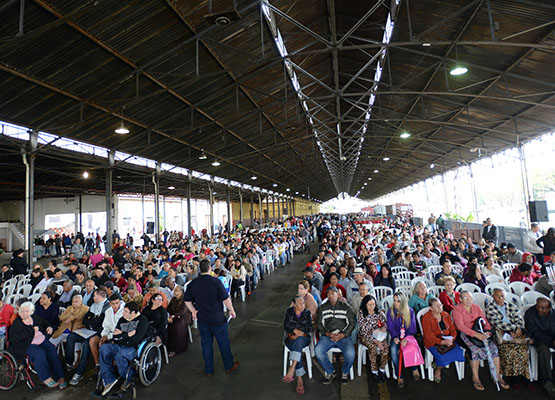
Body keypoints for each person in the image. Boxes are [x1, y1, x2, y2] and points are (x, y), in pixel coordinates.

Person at [184, 259, 239, 376]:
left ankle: (209, 370)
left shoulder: (193, 283)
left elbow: (187, 300)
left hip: (203, 319)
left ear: (199, 270)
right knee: (223, 343)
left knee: (206, 344)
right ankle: (228, 366)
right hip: (217, 318)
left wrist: (193, 311)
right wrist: (231, 310)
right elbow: (226, 299)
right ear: (210, 268)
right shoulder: (216, 282)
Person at [452, 290, 509, 391]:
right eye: (465, 298)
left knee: (494, 348)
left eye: (470, 298)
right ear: (460, 299)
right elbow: (460, 326)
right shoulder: (457, 309)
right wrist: (476, 335)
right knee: (474, 350)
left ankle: (498, 377)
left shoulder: (476, 307)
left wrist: (487, 331)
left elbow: (485, 321)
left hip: (479, 332)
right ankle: (476, 378)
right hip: (464, 334)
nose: (469, 300)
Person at [8, 301, 66, 389]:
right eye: (22, 311)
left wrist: (49, 327)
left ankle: (59, 376)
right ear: (19, 313)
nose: (24, 313)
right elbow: (14, 337)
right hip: (26, 344)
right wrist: (31, 330)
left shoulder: (35, 318)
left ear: (31, 311)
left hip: (40, 340)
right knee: (39, 353)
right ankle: (45, 378)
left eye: (27, 311)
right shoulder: (17, 323)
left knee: (51, 350)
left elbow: (44, 323)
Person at [99, 302, 149, 396]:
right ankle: (109, 380)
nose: (123, 314)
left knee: (120, 355)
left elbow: (135, 340)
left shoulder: (142, 320)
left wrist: (121, 335)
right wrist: (127, 334)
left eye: (126, 312)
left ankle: (129, 377)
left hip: (133, 348)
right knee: (104, 348)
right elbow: (115, 337)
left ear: (133, 312)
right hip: (120, 345)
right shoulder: (122, 319)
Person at [485, 288, 530, 384]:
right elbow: (497, 323)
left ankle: (523, 376)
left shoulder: (510, 305)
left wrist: (518, 329)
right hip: (500, 333)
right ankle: (512, 378)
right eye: (498, 296)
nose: (501, 298)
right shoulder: (490, 307)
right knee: (509, 349)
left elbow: (519, 318)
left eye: (502, 296)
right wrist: (513, 329)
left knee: (522, 348)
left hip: (515, 331)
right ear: (493, 296)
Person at [314, 286, 355, 385]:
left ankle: (345, 372)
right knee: (318, 350)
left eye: (333, 293)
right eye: (329, 294)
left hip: (343, 336)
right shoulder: (322, 308)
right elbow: (319, 323)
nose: (331, 295)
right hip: (328, 336)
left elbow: (352, 323)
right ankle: (330, 371)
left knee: (350, 353)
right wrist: (326, 333)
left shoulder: (346, 307)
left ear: (338, 294)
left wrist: (343, 334)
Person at [65, 288, 110, 374]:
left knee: (87, 343)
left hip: (99, 332)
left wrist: (92, 320)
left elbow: (100, 323)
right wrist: (92, 321)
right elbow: (85, 320)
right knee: (70, 337)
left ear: (100, 297)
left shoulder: (107, 307)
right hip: (88, 330)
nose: (93, 297)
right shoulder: (93, 305)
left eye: (94, 296)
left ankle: (80, 372)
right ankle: (69, 363)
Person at [421, 297, 465, 383]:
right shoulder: (426, 318)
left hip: (447, 340)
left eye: (440, 305)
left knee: (459, 352)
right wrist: (441, 342)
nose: (440, 307)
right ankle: (438, 370)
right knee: (442, 357)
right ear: (431, 308)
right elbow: (428, 335)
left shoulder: (445, 315)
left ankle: (437, 363)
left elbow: (453, 330)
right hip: (433, 342)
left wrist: (452, 339)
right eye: (437, 306)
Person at [387, 291, 420, 388]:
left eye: (398, 301)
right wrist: (395, 337)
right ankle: (399, 374)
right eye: (394, 301)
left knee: (412, 347)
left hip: (407, 336)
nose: (396, 303)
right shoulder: (390, 312)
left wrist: (407, 338)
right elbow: (390, 326)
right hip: (396, 337)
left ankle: (414, 368)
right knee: (393, 351)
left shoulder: (410, 311)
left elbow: (412, 327)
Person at [282, 295, 313, 395]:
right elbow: (286, 325)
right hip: (291, 338)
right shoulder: (289, 312)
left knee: (299, 342)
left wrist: (300, 333)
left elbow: (310, 327)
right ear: (294, 305)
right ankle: (299, 378)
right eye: (300, 303)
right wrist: (294, 331)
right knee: (297, 346)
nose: (303, 305)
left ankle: (294, 369)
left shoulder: (307, 313)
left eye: (303, 303)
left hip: (304, 338)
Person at [524, 298, 555, 397]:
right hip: (537, 339)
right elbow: (534, 332)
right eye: (538, 306)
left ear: (549, 308)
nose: (539, 310)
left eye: (543, 308)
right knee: (543, 348)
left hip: (551, 338)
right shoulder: (530, 314)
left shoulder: (553, 314)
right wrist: (551, 341)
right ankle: (547, 381)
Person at [357, 295, 389, 379]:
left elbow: (385, 324)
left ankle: (382, 368)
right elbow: (363, 331)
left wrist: (383, 328)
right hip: (366, 336)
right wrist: (376, 341)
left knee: (385, 346)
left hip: (379, 335)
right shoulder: (362, 314)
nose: (372, 307)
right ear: (365, 305)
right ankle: (374, 370)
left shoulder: (379, 312)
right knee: (372, 347)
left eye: (373, 304)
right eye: (369, 305)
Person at [167, 285, 192, 356]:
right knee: (168, 327)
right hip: (174, 317)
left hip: (183, 318)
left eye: (177, 290)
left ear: (181, 292)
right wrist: (169, 315)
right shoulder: (173, 299)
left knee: (176, 328)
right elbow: (169, 308)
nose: (175, 292)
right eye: (175, 290)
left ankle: (178, 349)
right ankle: (169, 347)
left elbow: (182, 311)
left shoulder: (185, 299)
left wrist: (173, 316)